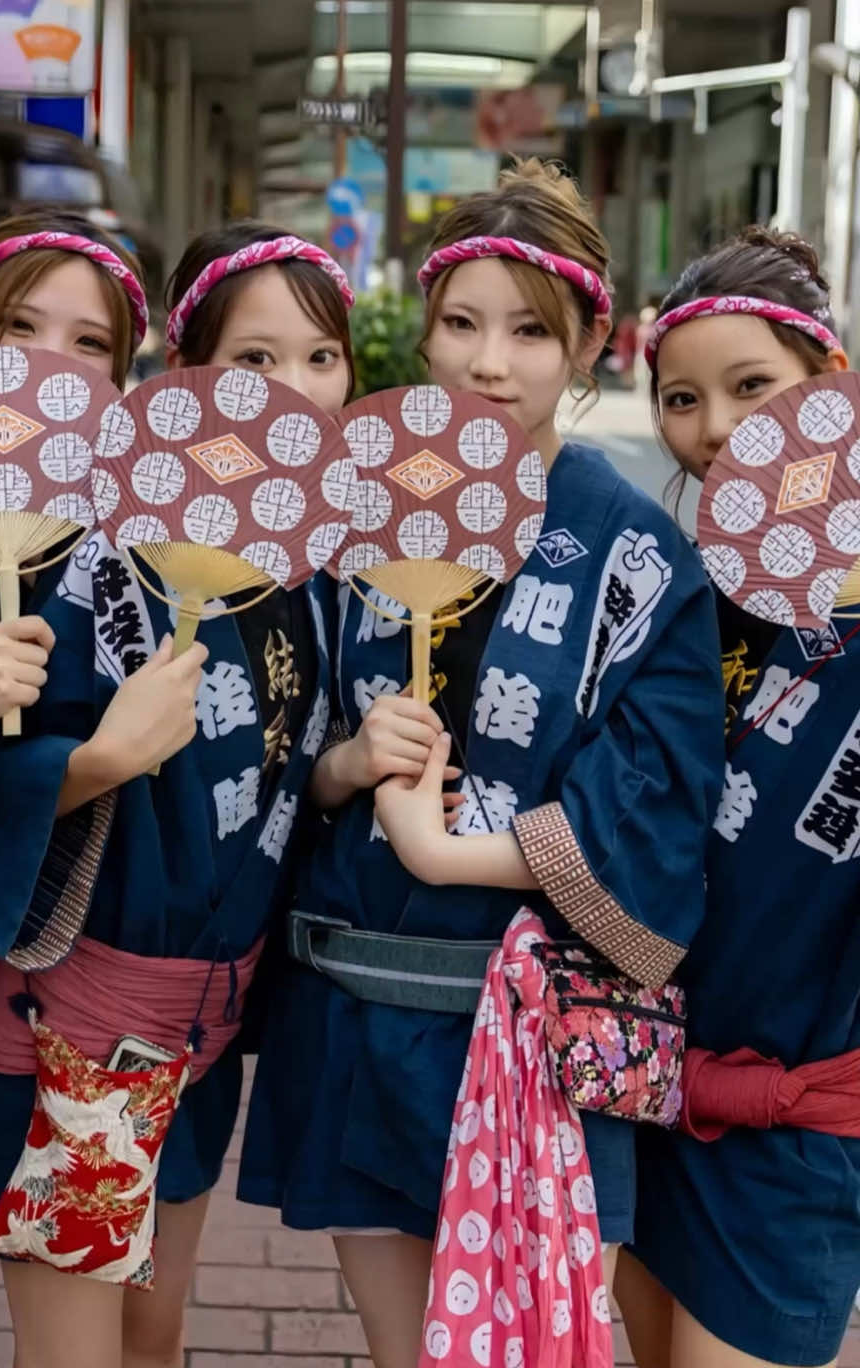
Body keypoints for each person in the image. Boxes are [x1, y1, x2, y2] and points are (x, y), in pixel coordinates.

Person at [238, 159, 726, 1368]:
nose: (489, 364)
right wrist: (345, 770)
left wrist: (443, 850)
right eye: (461, 324)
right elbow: (271, 739)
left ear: (592, 344)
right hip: (354, 1017)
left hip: (530, 1048)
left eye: (530, 332)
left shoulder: (635, 552)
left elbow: (658, 811)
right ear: (424, 325)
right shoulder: (350, 507)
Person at [0, 221, 354, 1368]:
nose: (292, 391)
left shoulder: (310, 567)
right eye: (254, 361)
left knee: (153, 1330)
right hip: (74, 1035)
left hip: (200, 1034)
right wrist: (97, 760)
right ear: (183, 373)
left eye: (320, 358)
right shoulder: (78, 545)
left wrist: (346, 767)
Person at [616, 228, 860, 1368]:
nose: (715, 429)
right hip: (642, 1093)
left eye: (752, 386)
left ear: (832, 384)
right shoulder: (679, 597)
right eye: (683, 399)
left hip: (797, 1130)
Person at [0, 208, 148, 1368]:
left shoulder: (127, 549)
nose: (53, 365)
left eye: (91, 344)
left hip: (18, 983)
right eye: (21, 328)